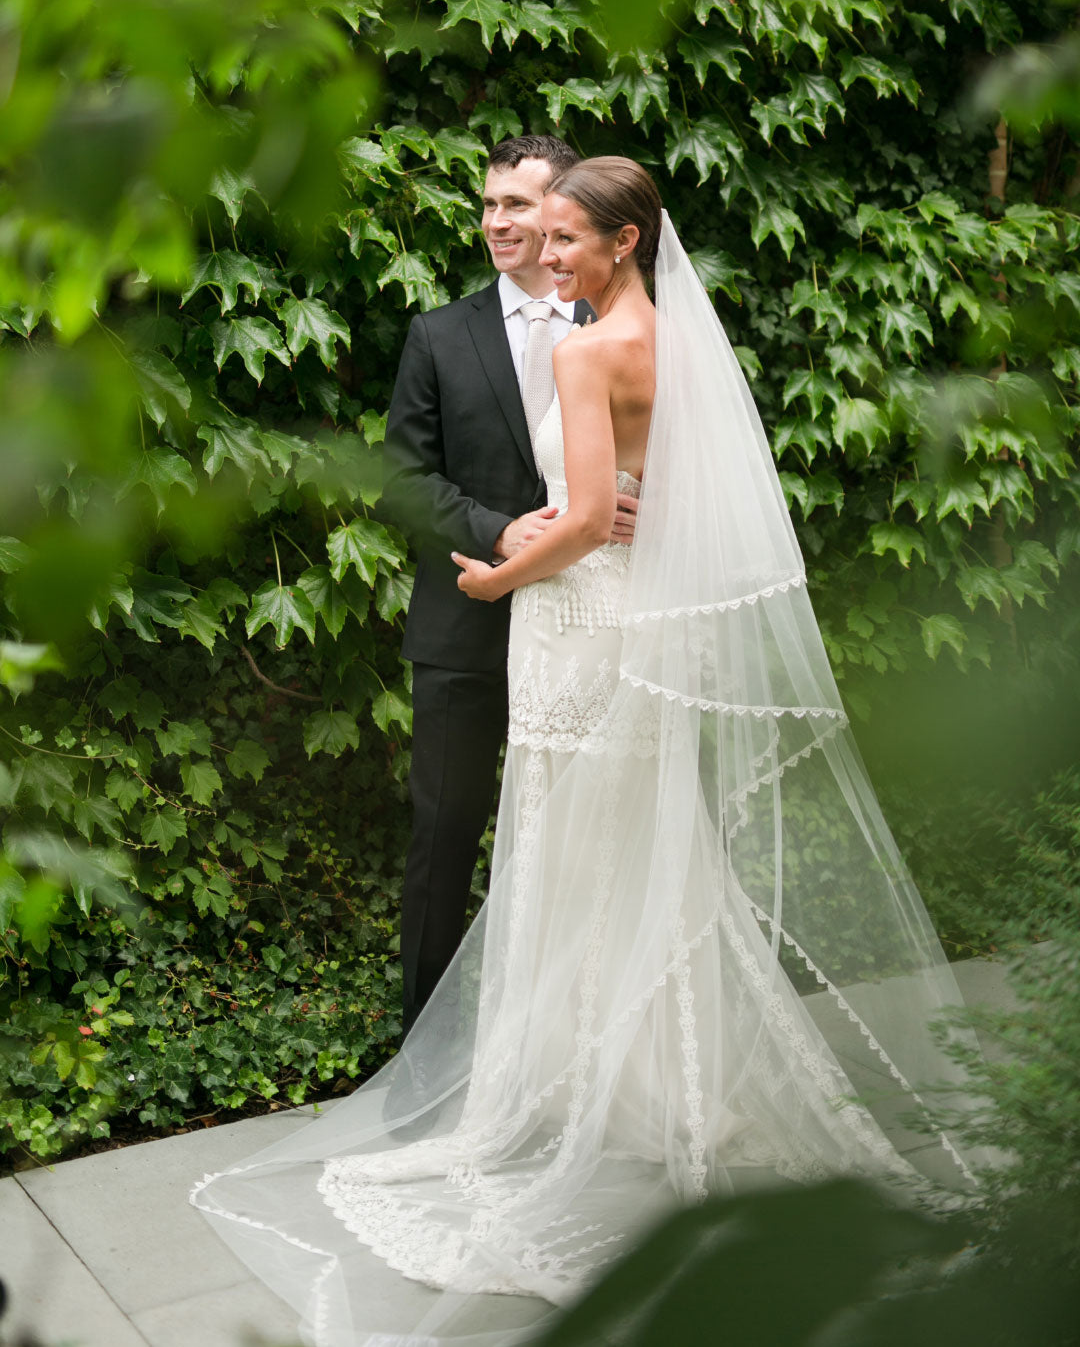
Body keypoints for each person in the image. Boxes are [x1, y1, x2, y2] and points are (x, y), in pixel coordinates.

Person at [194, 159, 979, 1346]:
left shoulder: (580, 347)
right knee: (638, 854)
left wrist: (500, 571)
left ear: (622, 240)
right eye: (533, 230)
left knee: (569, 848)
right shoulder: (667, 338)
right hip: (631, 626)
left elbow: (575, 521)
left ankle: (565, 1097)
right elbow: (657, 493)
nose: (543, 252)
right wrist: (566, 532)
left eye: (565, 236)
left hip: (575, 625)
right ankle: (650, 1084)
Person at [379, 134, 637, 1031]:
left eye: (517, 206)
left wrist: (644, 507)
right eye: (488, 205)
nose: (496, 221)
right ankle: (422, 1058)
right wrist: (500, 531)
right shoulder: (438, 335)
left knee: (580, 850)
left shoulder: (618, 327)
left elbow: (675, 462)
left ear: (566, 211)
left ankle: (557, 1051)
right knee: (445, 840)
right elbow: (400, 481)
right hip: (464, 629)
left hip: (584, 633)